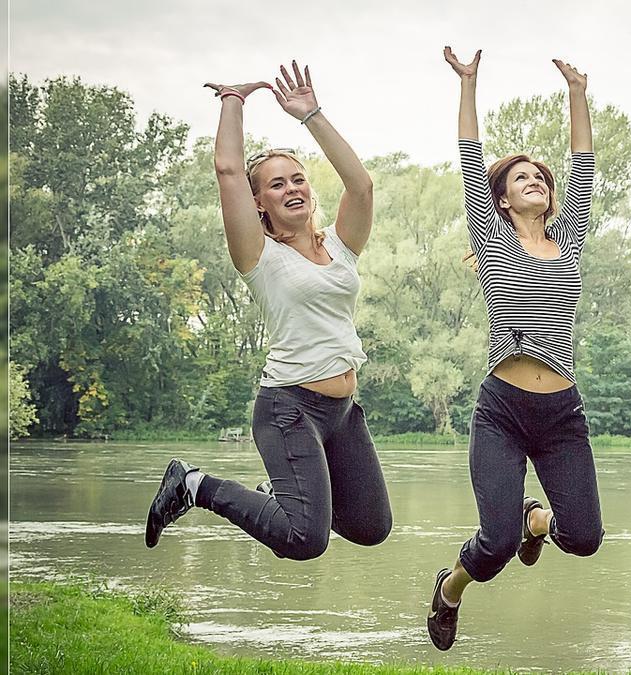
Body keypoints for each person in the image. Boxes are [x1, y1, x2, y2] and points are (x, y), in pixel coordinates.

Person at [144, 61, 391, 561]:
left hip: (342, 413)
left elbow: (361, 186)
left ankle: (280, 496)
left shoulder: (340, 248)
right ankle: (193, 484)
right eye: (277, 185)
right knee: (304, 540)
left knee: (371, 528)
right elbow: (228, 170)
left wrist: (311, 114)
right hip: (289, 407)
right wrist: (234, 101)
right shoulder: (259, 256)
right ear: (259, 204)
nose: (292, 188)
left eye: (297, 180)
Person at [426, 46, 602, 651]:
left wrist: (578, 92)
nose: (538, 182)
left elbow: (583, 162)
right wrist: (470, 84)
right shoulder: (491, 231)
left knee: (583, 537)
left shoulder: (570, 237)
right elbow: (470, 160)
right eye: (523, 177)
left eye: (543, 180)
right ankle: (449, 589)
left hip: (560, 413)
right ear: (502, 199)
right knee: (494, 545)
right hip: (502, 408)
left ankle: (538, 520)